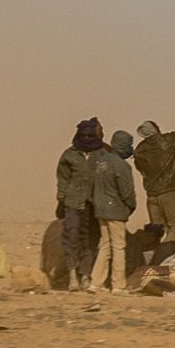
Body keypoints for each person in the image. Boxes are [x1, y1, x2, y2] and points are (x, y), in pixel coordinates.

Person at [55, 118, 107, 291]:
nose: (86, 139)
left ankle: (85, 275)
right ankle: (72, 276)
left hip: (93, 205)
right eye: (83, 135)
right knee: (72, 236)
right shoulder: (69, 155)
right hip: (73, 202)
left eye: (90, 135)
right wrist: (61, 199)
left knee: (90, 240)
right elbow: (63, 178)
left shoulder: (102, 155)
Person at [133, 110, 175, 244]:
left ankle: (153, 257)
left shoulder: (139, 150)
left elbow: (140, 168)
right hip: (169, 191)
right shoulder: (166, 141)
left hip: (151, 195)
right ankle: (163, 254)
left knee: (156, 232)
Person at [87, 130, 137, 293]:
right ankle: (118, 285)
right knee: (118, 247)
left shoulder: (103, 162)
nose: (131, 148)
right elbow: (127, 192)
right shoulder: (121, 165)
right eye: (129, 145)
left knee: (105, 246)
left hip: (101, 211)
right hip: (115, 211)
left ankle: (96, 283)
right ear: (123, 145)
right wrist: (130, 207)